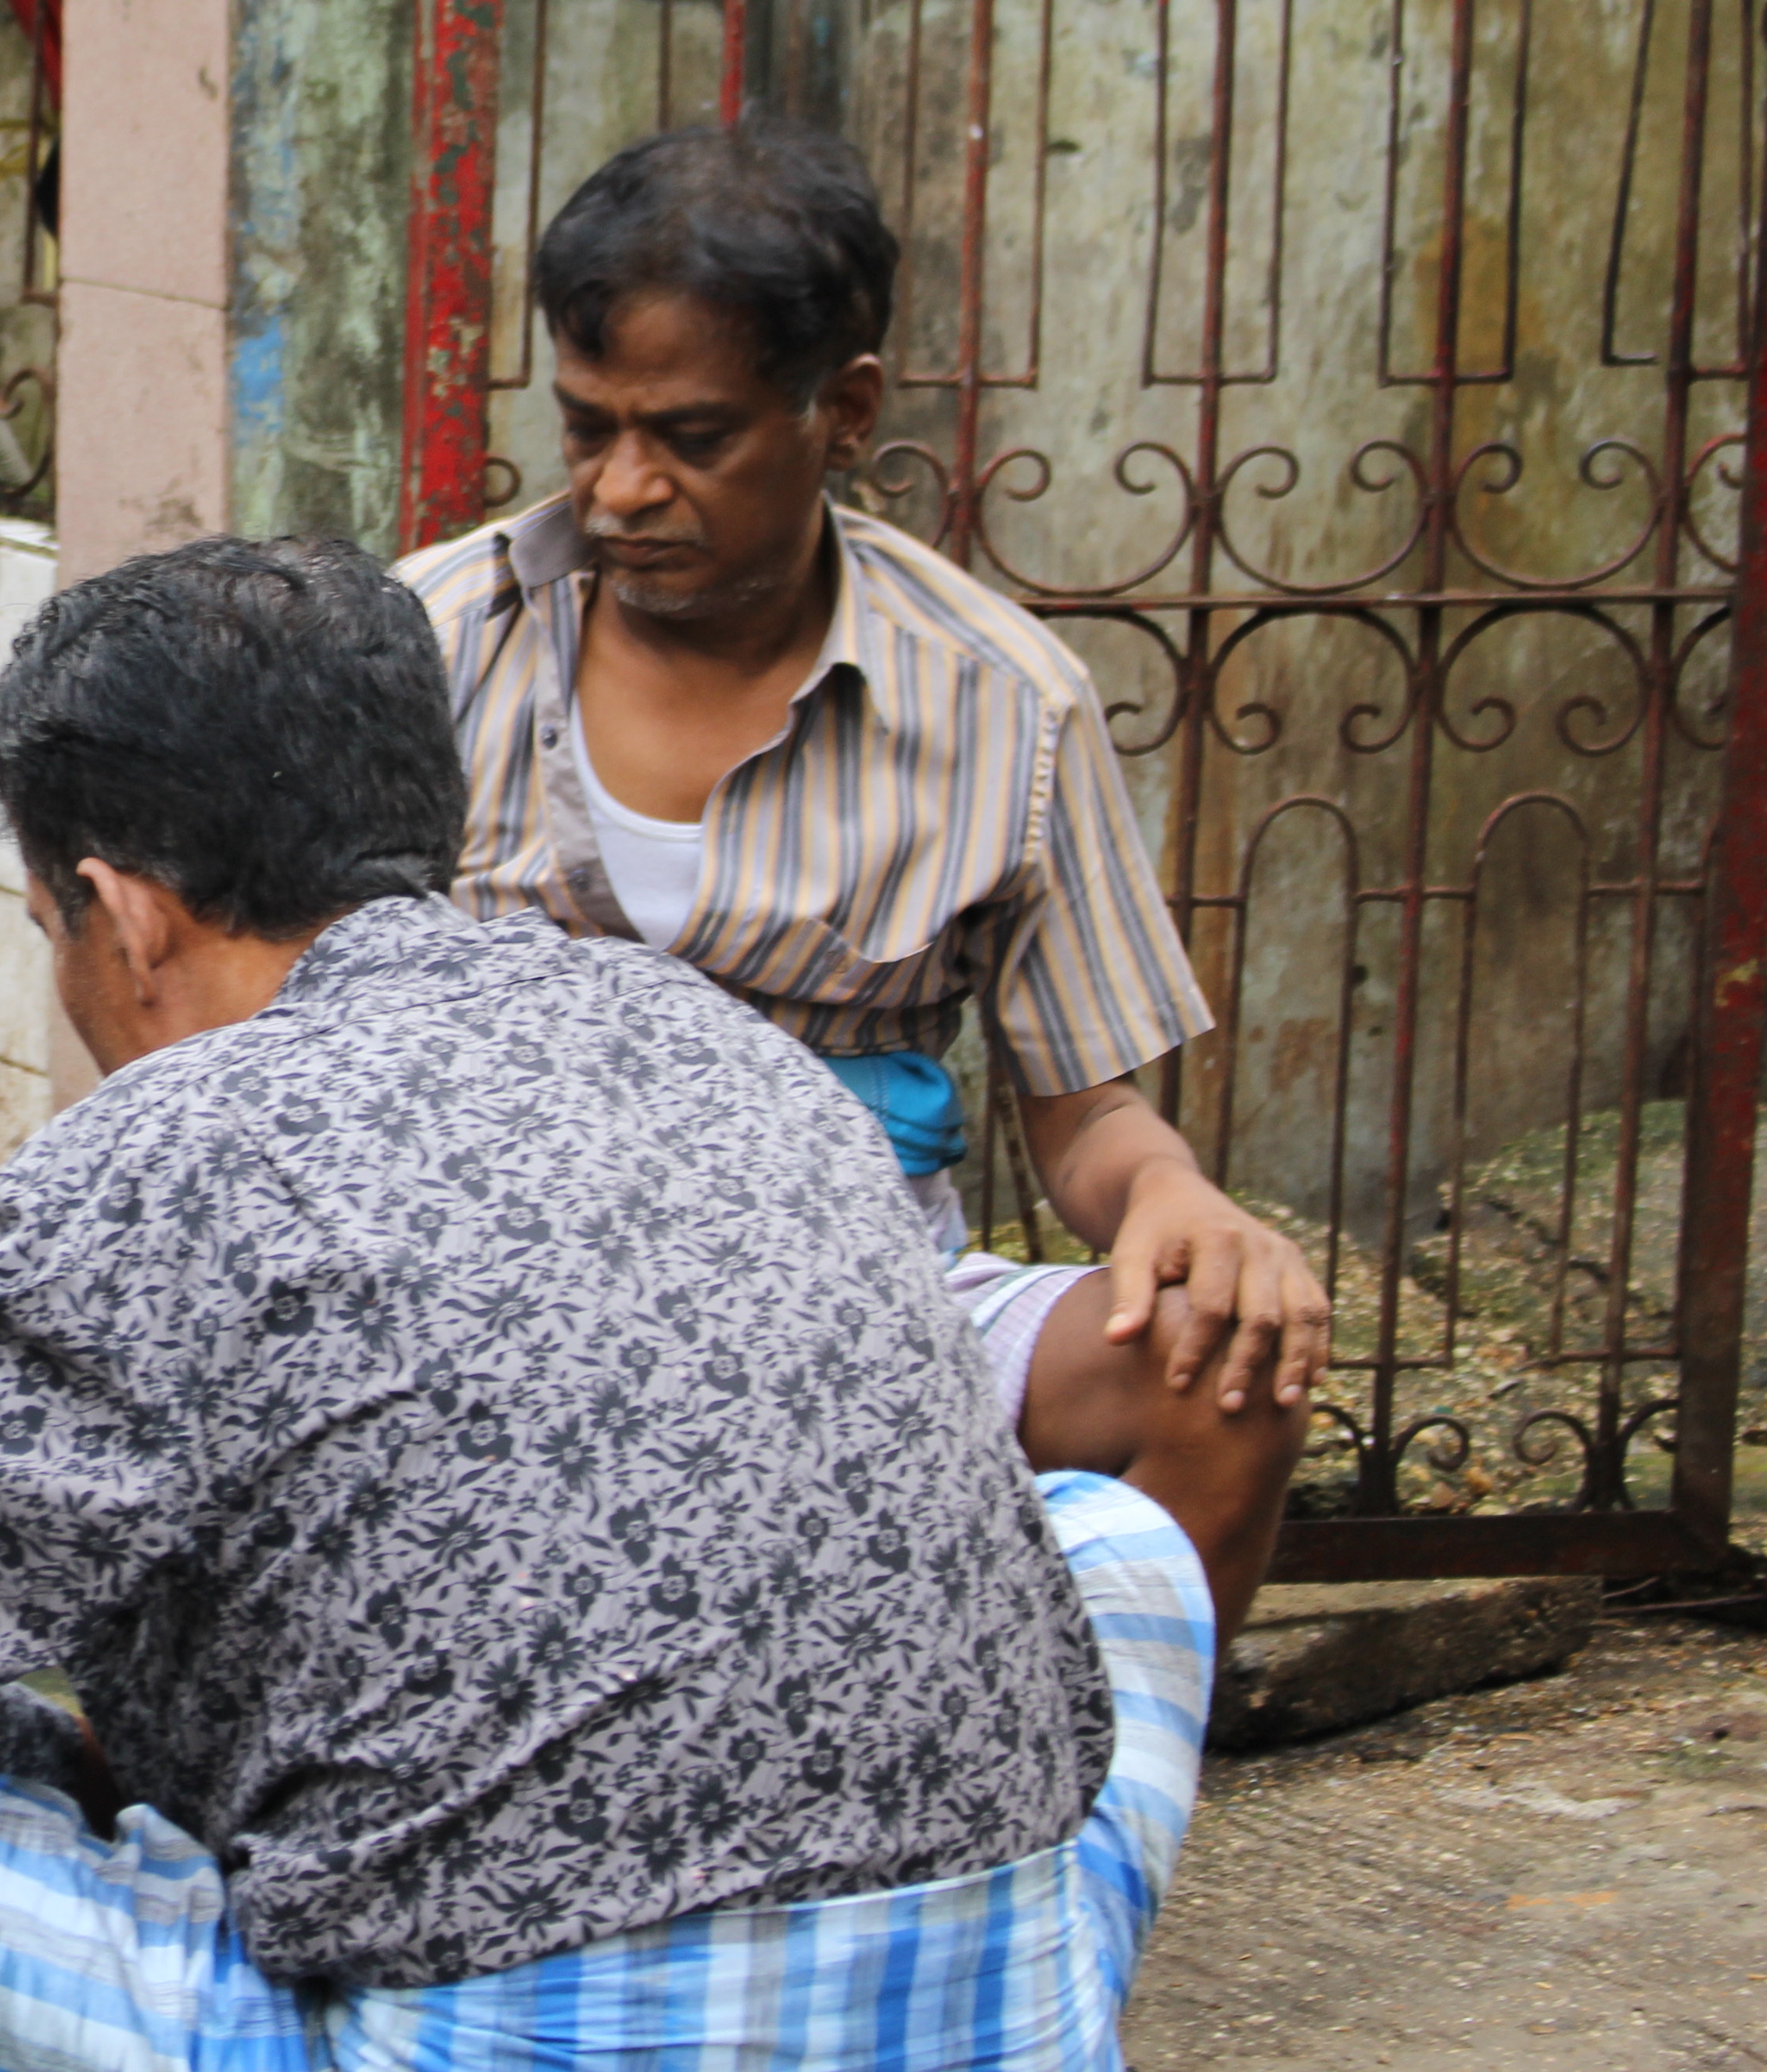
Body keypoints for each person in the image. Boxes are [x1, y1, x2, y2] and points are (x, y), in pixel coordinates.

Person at [0, 535, 1219, 2072]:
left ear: (123, 909)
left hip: (503, 2028)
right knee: (1114, 1544)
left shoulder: (173, 1150)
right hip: (998, 2006)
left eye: (52, 938)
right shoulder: (706, 1037)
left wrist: (46, 1754)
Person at [400, 117, 1325, 1624]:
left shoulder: (1000, 705)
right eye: (588, 429)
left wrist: (1179, 1203)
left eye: (691, 438)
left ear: (844, 410)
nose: (625, 489)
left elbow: (1088, 1110)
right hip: (490, 1306)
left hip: (868, 1313)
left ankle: (1071, 1819)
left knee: (1221, 1371)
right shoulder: (426, 643)